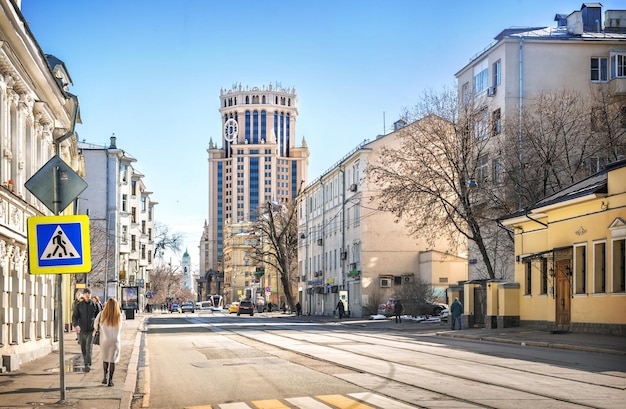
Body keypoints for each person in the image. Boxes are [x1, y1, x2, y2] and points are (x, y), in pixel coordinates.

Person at [94, 297, 123, 387]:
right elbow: (121, 327)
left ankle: (104, 377)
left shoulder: (101, 314)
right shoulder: (119, 315)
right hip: (115, 341)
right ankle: (110, 380)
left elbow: (95, 325)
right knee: (112, 360)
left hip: (104, 340)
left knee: (105, 359)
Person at [72, 288, 99, 371]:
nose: (88, 295)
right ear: (84, 295)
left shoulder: (95, 305)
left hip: (91, 330)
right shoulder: (79, 305)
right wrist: (76, 325)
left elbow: (99, 316)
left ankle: (88, 363)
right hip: (81, 330)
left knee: (89, 346)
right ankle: (85, 361)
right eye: (86, 293)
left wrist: (98, 327)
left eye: (89, 293)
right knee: (83, 347)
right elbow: (75, 316)